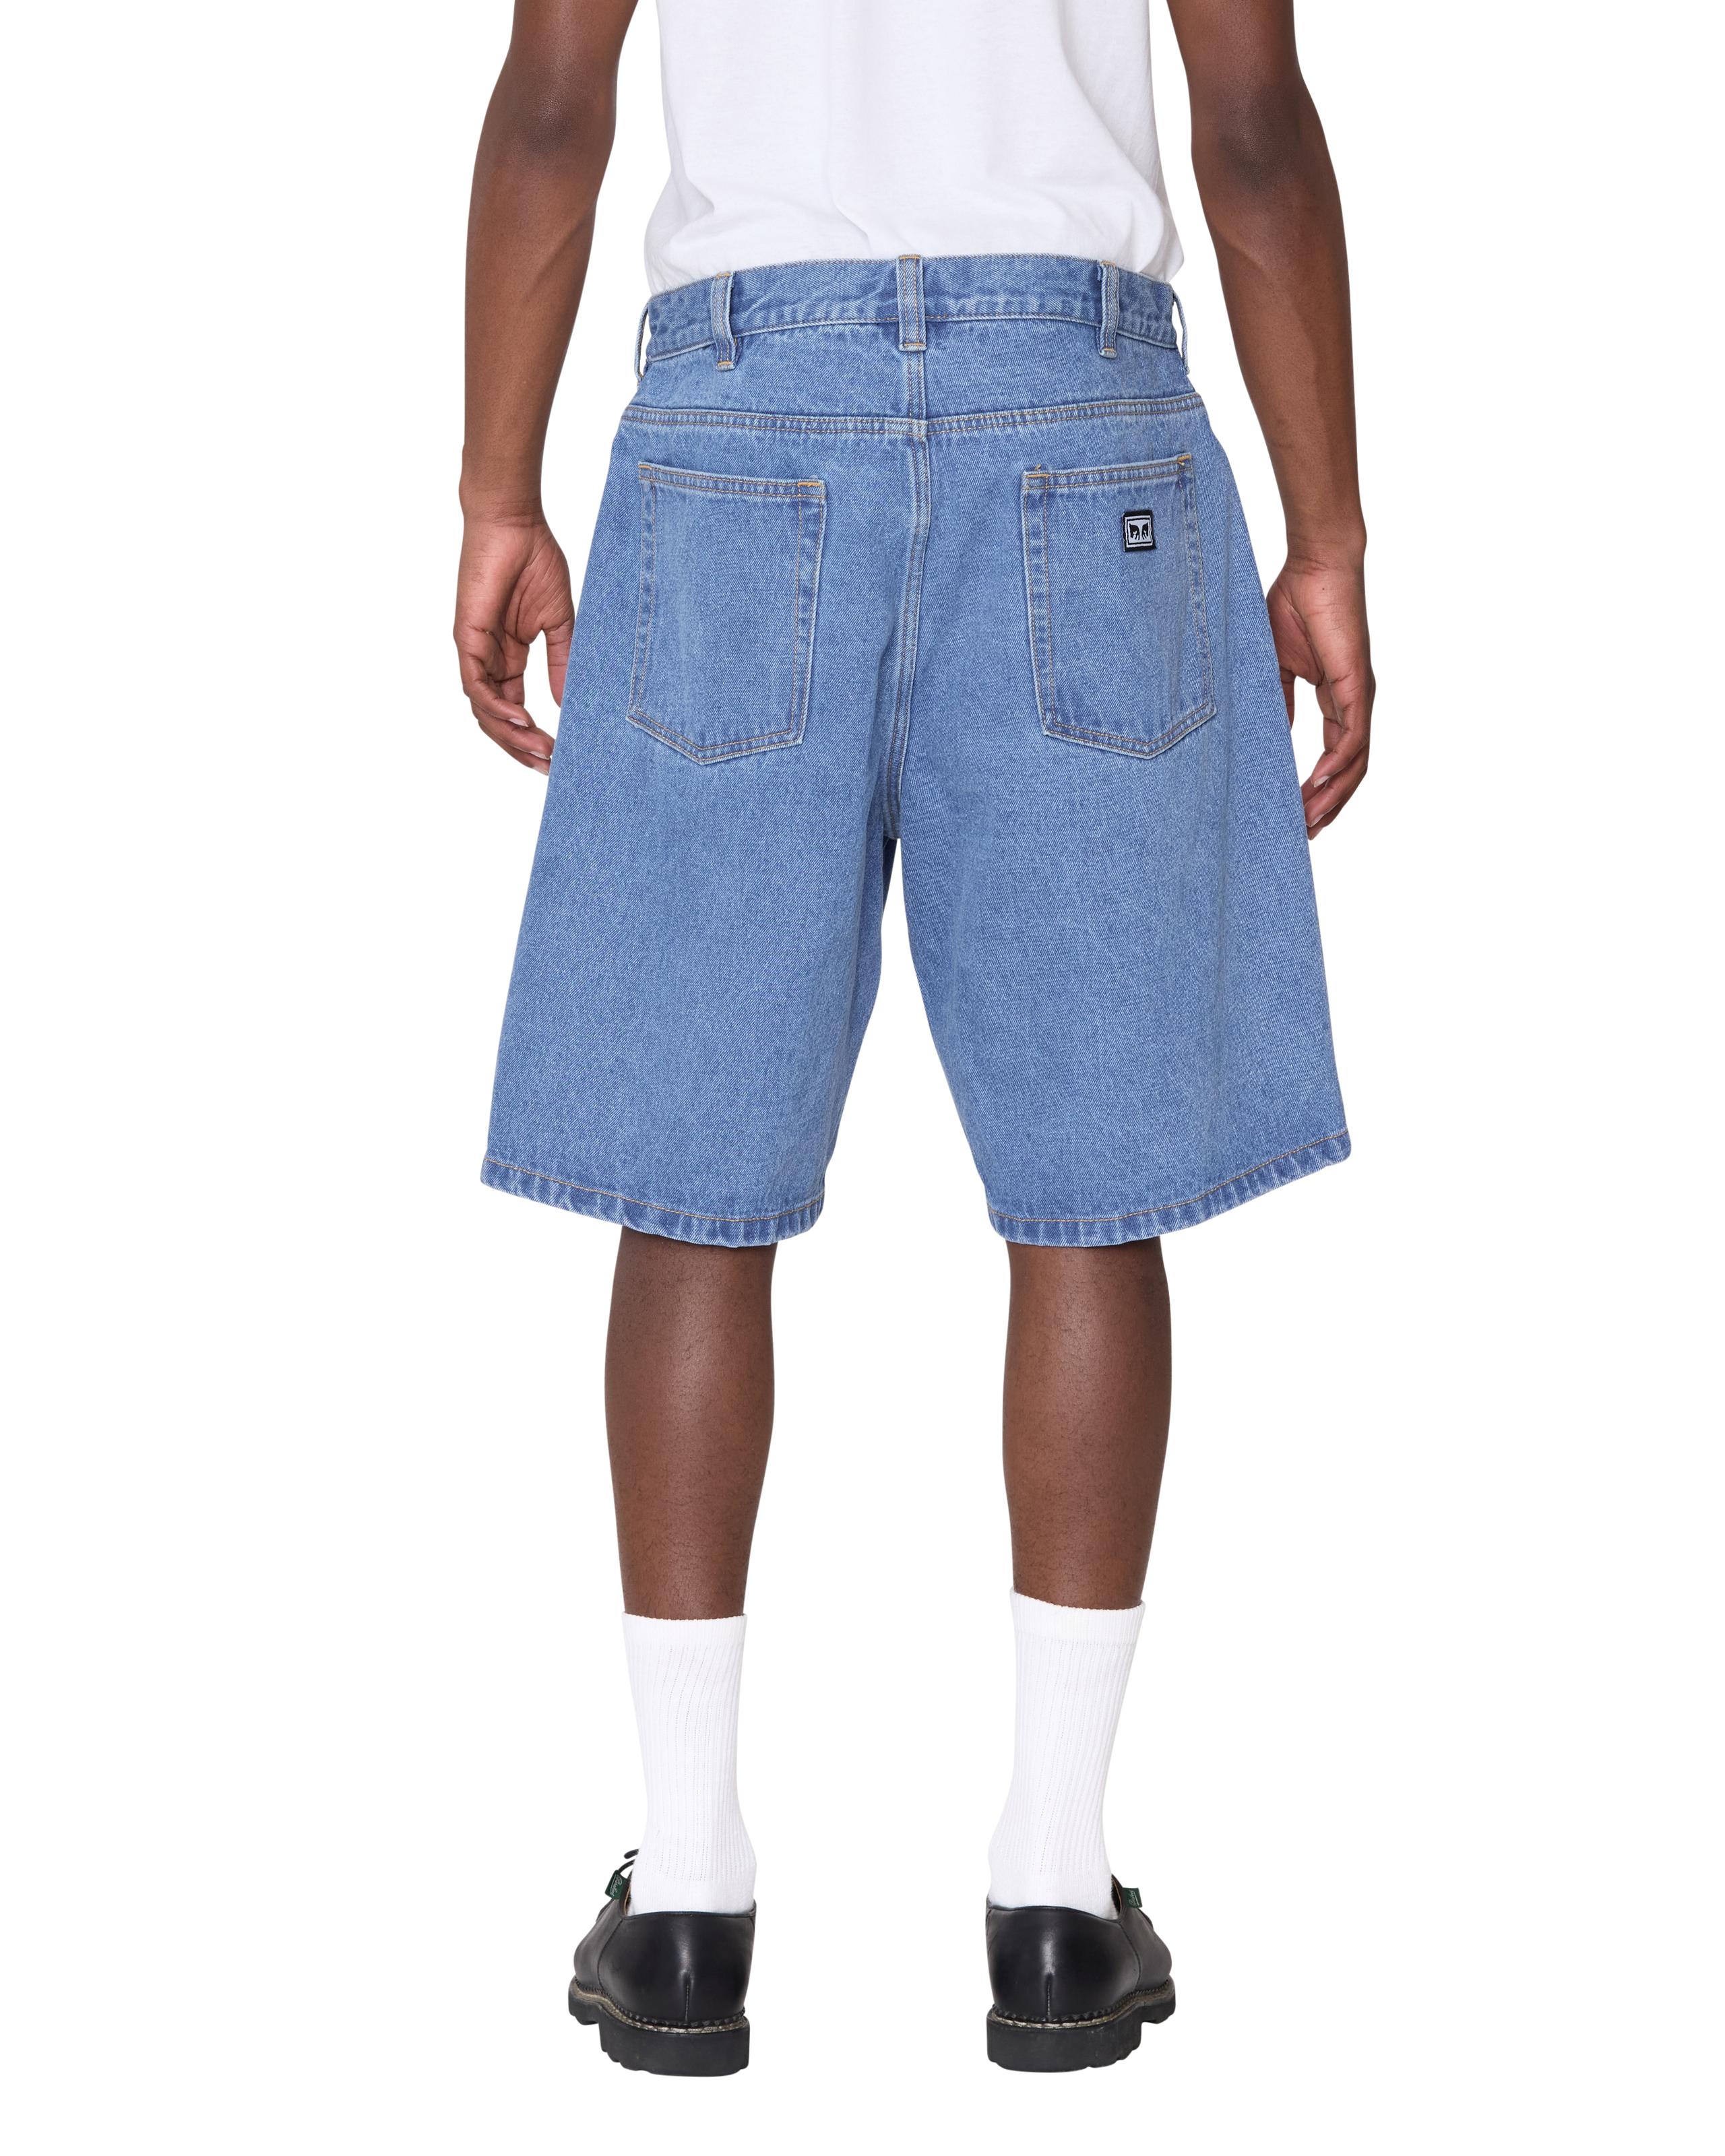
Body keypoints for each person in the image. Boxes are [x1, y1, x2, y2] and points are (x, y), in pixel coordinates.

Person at [453, 0, 1374, 2080]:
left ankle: (686, 1893)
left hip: (737, 429)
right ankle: (1054, 1889)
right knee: (1091, 1192)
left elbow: (554, 109)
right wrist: (1327, 536)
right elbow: (1249, 129)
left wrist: (498, 492)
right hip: (1086, 417)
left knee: (696, 1182)